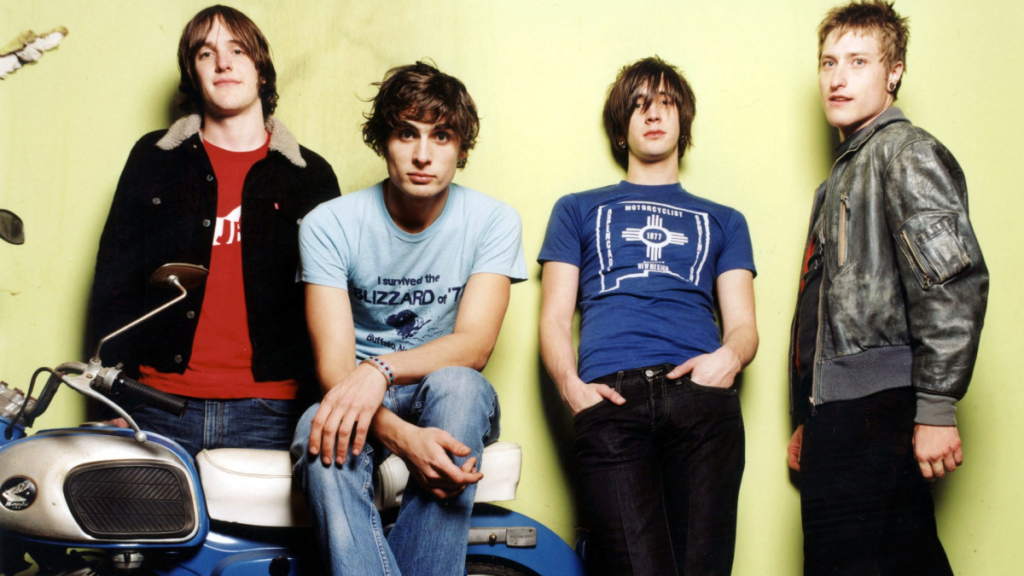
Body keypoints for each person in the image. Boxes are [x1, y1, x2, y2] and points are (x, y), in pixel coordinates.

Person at [291, 60, 527, 576]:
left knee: (461, 386)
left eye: (442, 136)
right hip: (354, 394)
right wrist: (402, 437)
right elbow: (334, 368)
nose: (423, 154)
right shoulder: (329, 224)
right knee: (317, 427)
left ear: (462, 149)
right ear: (383, 142)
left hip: (440, 394)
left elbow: (474, 345)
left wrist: (379, 369)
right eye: (406, 133)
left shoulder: (493, 221)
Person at [786, 2, 988, 573]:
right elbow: (819, 309)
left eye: (857, 61)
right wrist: (809, 413)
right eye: (828, 63)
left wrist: (938, 407)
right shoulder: (840, 179)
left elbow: (953, 282)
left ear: (893, 71)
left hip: (880, 410)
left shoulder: (906, 153)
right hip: (843, 412)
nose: (838, 77)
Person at [538, 56, 758, 576]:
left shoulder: (725, 220)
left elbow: (744, 325)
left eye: (664, 104)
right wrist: (571, 388)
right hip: (611, 397)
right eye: (638, 106)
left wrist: (725, 361)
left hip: (700, 397)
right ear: (621, 128)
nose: (653, 115)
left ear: (683, 119)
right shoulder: (576, 208)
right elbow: (553, 319)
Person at [88, 5, 340, 456]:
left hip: (274, 411)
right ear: (193, 74)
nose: (223, 62)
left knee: (265, 531)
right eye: (206, 53)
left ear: (262, 71)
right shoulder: (154, 158)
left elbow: (336, 303)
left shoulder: (310, 175)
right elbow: (114, 283)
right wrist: (105, 398)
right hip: (156, 403)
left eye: (237, 50)